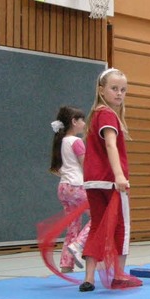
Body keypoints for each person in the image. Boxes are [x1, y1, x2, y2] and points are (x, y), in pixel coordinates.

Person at [80, 68, 142, 292]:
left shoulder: (96, 114)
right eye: (114, 89)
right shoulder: (107, 114)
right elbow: (110, 144)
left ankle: (89, 278)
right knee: (121, 226)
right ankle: (118, 274)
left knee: (97, 226)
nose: (119, 94)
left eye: (123, 90)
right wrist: (118, 175)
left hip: (93, 181)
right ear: (101, 90)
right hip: (110, 181)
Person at [49, 106, 91, 273]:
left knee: (72, 226)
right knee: (100, 216)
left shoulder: (61, 141)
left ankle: (66, 265)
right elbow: (85, 165)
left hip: (64, 187)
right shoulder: (76, 141)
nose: (84, 123)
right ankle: (78, 244)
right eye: (82, 120)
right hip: (77, 186)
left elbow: (58, 168)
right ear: (74, 122)